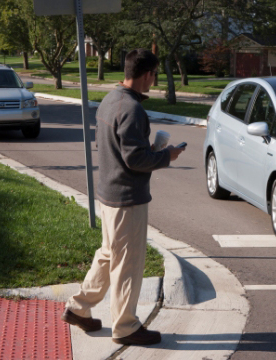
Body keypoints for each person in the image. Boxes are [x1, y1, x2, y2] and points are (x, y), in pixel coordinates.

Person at [61, 48, 184, 346]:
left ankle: (78, 308)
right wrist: (166, 154)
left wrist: (151, 151)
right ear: (146, 74)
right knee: (127, 263)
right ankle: (126, 327)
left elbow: (121, 151)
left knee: (109, 254)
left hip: (110, 193)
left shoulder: (110, 100)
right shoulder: (132, 109)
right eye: (154, 75)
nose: (154, 80)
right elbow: (135, 159)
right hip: (128, 198)